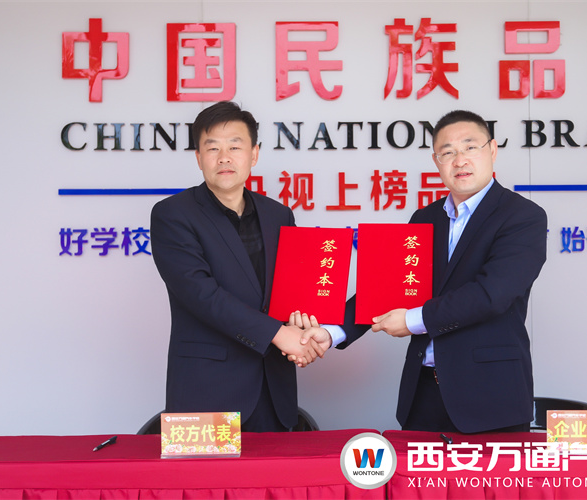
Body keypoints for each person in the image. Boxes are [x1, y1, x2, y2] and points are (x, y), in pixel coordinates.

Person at [296, 109, 548, 434]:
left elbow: (492, 295)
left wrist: (414, 320)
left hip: (490, 396)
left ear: (492, 150)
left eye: (470, 147)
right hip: (424, 395)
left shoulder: (522, 216)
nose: (460, 160)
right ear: (436, 161)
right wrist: (332, 332)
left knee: (489, 473)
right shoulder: (425, 218)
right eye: (448, 152)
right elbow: (386, 288)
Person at [150, 101, 326, 432]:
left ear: (254, 154)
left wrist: (303, 325)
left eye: (235, 146)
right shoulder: (172, 214)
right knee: (204, 471)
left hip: (274, 389)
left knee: (278, 468)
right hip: (206, 389)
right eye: (212, 147)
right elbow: (201, 294)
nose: (224, 157)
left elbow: (290, 289)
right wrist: (279, 334)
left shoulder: (279, 215)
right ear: (198, 157)